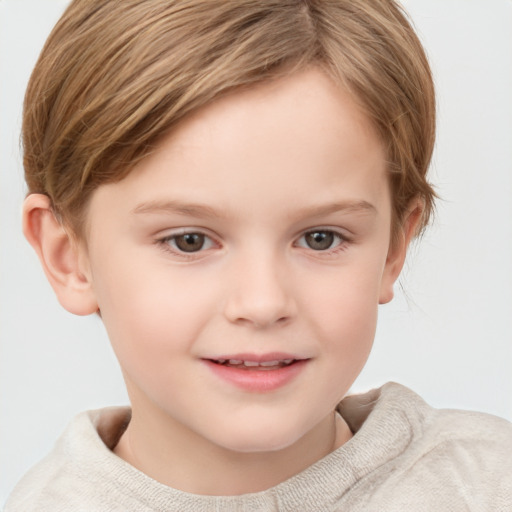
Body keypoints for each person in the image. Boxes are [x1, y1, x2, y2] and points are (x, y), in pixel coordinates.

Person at [4, 0, 512, 510]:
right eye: (189, 240)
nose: (263, 302)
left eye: (320, 238)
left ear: (393, 249)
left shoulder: (488, 485)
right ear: (68, 256)